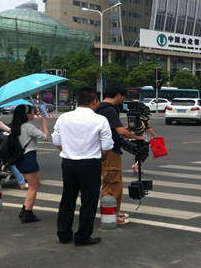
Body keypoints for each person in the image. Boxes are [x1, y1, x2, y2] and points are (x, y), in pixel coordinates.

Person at [51, 88, 113, 246]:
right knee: (88, 201)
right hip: (90, 163)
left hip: (68, 163)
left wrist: (69, 150)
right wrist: (101, 157)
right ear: (94, 102)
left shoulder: (63, 118)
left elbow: (57, 141)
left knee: (67, 198)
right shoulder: (100, 120)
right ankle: (82, 236)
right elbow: (107, 146)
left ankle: (63, 234)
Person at [95, 84, 145, 225]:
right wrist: (137, 137)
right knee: (113, 182)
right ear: (118, 95)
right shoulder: (109, 109)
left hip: (103, 149)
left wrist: (126, 130)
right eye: (122, 97)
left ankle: (114, 211)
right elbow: (120, 131)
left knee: (111, 181)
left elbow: (115, 130)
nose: (122, 100)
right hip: (110, 151)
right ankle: (111, 214)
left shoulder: (99, 108)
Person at [11, 104, 49, 223]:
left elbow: (36, 134)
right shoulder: (28, 126)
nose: (34, 114)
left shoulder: (16, 126)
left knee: (36, 184)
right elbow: (45, 137)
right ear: (27, 115)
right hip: (29, 157)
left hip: (21, 158)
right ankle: (27, 213)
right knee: (33, 187)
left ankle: (25, 208)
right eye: (32, 112)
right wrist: (44, 125)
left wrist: (42, 127)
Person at [129, 104, 159, 174]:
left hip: (133, 138)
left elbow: (129, 127)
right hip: (142, 138)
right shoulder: (145, 117)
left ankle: (137, 168)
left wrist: (127, 137)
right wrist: (154, 135)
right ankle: (136, 165)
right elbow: (148, 128)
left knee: (138, 153)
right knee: (144, 154)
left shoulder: (132, 116)